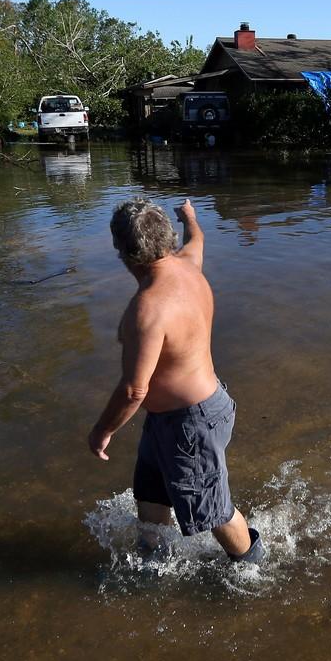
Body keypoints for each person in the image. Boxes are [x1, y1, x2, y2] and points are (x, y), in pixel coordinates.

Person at [88, 197, 264, 564]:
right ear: (167, 239)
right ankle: (153, 561)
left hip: (190, 424)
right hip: (179, 418)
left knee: (214, 512)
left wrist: (103, 430)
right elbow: (197, 238)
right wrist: (191, 217)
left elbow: (134, 389)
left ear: (124, 252)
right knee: (150, 493)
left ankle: (252, 569)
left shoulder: (148, 309)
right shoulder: (188, 264)